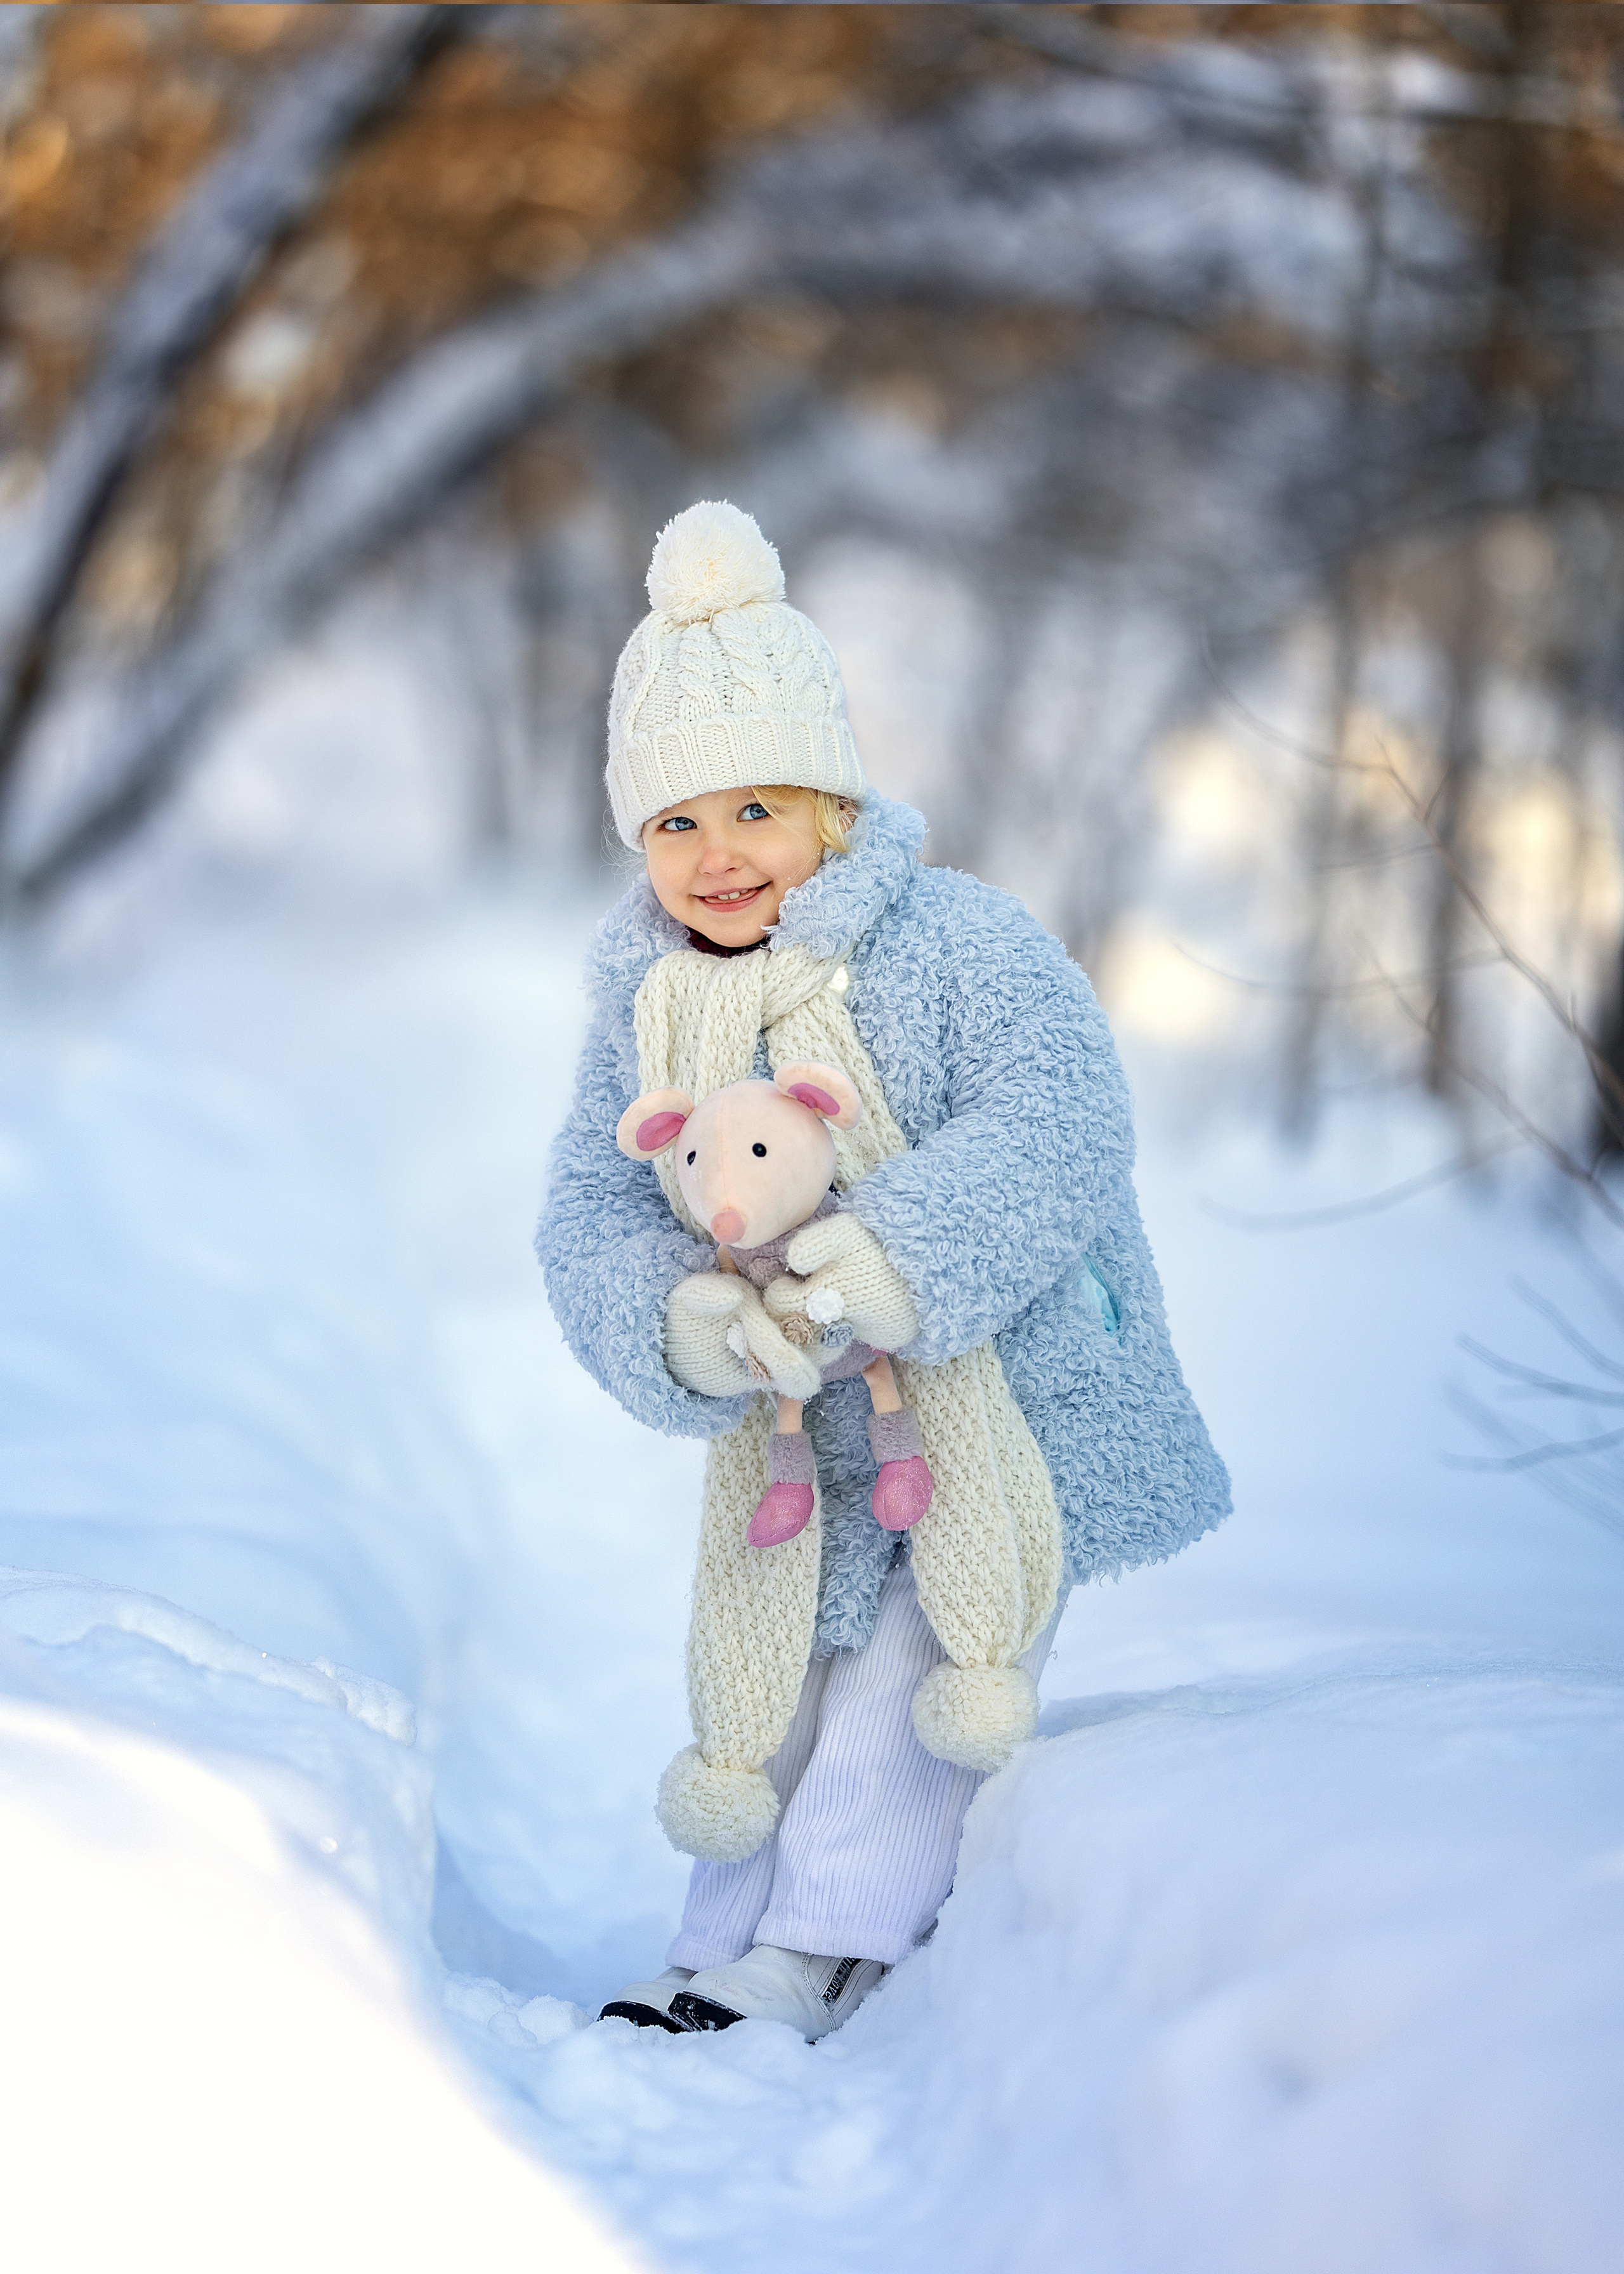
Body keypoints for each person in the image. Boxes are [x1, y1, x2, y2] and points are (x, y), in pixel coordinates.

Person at [537, 501, 1229, 2041]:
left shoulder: (956, 943)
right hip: (802, 1429)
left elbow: (1065, 1113)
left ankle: (827, 1937)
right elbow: (592, 1198)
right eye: (673, 823)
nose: (716, 856)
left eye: (754, 810)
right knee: (774, 1660)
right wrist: (679, 1311)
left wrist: (899, 1256)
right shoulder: (648, 1002)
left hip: (1008, 1400)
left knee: (914, 1666)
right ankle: (721, 1935)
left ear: (832, 809)